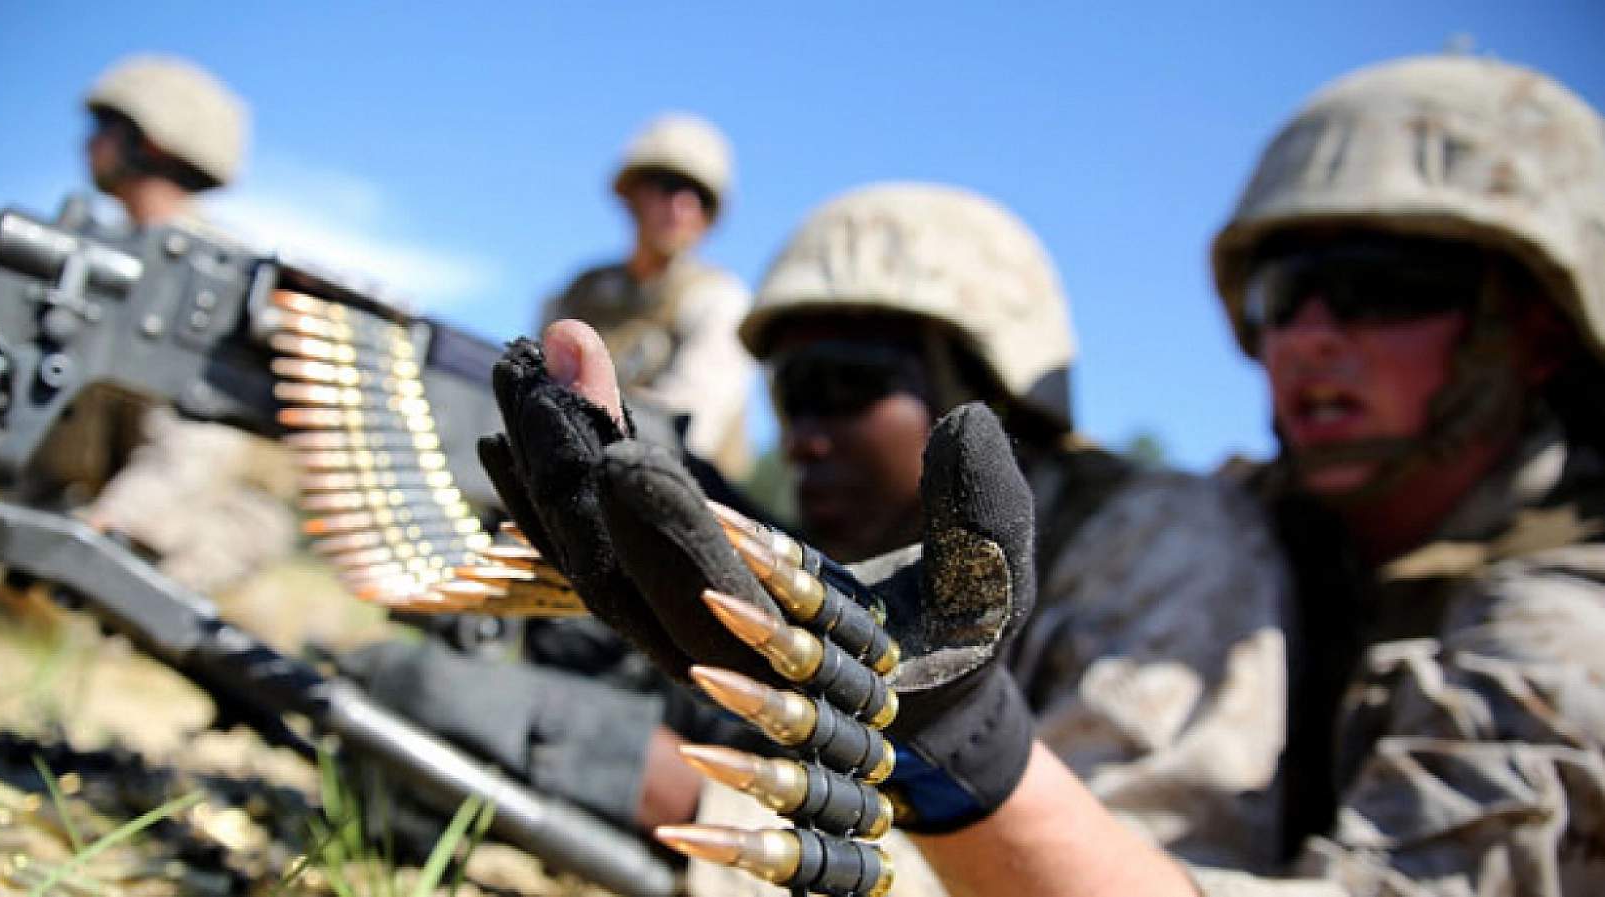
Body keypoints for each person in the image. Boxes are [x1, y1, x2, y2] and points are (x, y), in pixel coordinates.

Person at [478, 53, 1605, 897]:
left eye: (1371, 287)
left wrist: (680, 780)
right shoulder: (1280, 526)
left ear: (1533, 333)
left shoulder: (1560, 633)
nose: (1307, 336)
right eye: (1280, 298)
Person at [479, 182, 1295, 895]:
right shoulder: (846, 560)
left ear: (976, 393)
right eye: (791, 396)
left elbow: (1129, 874)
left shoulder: (1163, 542)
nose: (801, 438)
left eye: (842, 384)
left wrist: (674, 793)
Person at [68, 54, 299, 597]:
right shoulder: (104, 249)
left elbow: (203, 435)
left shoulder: (225, 277)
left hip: (181, 519)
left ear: (151, 143)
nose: (87, 144)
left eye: (104, 128)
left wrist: (107, 531)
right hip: (84, 491)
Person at [542, 112, 756, 481]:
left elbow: (688, 431)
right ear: (634, 192)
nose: (682, 208)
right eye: (668, 185)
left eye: (700, 198)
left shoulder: (717, 299)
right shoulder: (579, 294)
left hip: (680, 499)